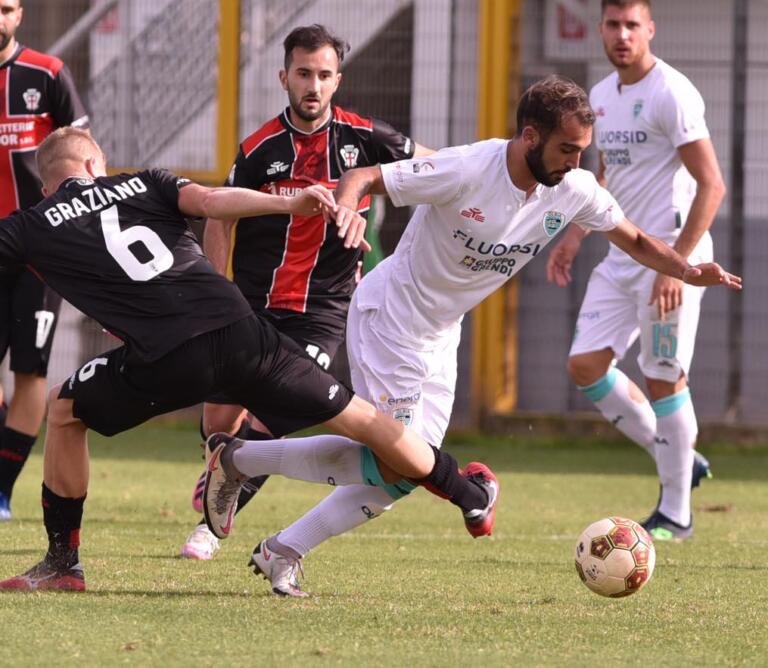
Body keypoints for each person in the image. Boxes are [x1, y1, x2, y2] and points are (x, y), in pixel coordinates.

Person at [202, 74, 740, 598]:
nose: (577, 163)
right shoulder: (467, 167)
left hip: (441, 333)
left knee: (401, 475)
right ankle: (245, 465)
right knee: (400, 460)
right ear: (530, 136)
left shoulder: (572, 189)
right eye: (566, 150)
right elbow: (363, 176)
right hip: (392, 320)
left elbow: (635, 238)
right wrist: (346, 210)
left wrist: (687, 269)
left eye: (582, 151)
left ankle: (276, 535)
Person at [0, 127, 498, 593]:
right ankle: (468, 494)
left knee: (64, 410)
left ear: (46, 188)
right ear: (95, 164)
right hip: (244, 334)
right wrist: (290, 203)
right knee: (366, 421)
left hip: (167, 359)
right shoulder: (144, 182)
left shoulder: (30, 225)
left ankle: (63, 563)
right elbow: (213, 202)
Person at [181, 24, 433, 561]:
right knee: (219, 420)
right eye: (303, 74)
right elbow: (220, 216)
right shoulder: (259, 149)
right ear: (284, 78)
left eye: (323, 75)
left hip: (322, 311)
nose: (313, 86)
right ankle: (221, 465)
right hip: (252, 305)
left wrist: (481, 176)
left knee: (275, 410)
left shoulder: (366, 138)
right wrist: (214, 289)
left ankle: (209, 527)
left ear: (338, 80)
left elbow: (438, 168)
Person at [546, 0, 726, 541]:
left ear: (650, 30)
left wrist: (678, 266)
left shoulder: (672, 92)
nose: (621, 35)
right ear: (600, 30)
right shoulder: (600, 95)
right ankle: (680, 457)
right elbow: (605, 176)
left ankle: (676, 514)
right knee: (585, 366)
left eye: (631, 25)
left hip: (671, 254)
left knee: (663, 376)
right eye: (612, 24)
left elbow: (712, 185)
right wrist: (575, 235)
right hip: (623, 254)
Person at [0, 0, 90, 520]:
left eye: (6, 8)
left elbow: (81, 152)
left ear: (19, 15)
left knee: (31, 371)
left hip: (38, 250)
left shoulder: (48, 73)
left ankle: (2, 490)